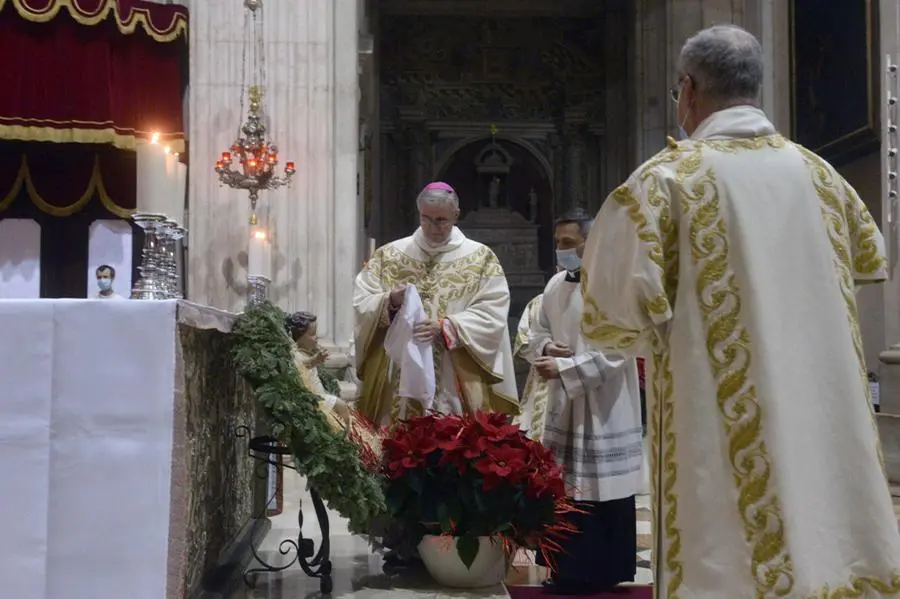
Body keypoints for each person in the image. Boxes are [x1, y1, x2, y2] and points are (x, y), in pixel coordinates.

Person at [581, 24, 900, 597]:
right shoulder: (822, 177)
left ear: (688, 90)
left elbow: (611, 317)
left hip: (717, 418)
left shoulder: (665, 183)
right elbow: (871, 260)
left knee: (726, 546)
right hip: (820, 409)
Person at [525, 208, 643, 595]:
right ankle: (566, 568)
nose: (562, 251)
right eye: (558, 244)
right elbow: (537, 328)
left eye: (569, 244)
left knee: (601, 492)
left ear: (593, 243)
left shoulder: (615, 285)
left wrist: (567, 368)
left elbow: (622, 347)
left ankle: (603, 570)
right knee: (567, 489)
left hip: (605, 404)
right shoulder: (557, 284)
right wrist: (545, 346)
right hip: (566, 403)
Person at [353, 182, 519, 426]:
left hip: (453, 369)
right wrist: (389, 302)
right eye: (426, 219)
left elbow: (492, 310)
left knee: (451, 438)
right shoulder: (389, 255)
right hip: (400, 369)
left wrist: (446, 327)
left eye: (441, 220)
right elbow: (361, 302)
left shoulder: (480, 257)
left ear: (456, 215)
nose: (433, 227)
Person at [511, 293, 550, 441]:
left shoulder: (603, 298)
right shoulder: (539, 302)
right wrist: (544, 350)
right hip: (543, 380)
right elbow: (524, 343)